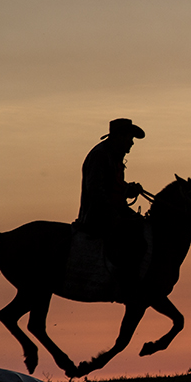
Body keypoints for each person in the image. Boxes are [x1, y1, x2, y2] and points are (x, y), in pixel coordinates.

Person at [75, 118, 147, 294]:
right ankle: (122, 281)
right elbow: (95, 190)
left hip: (114, 210)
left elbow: (113, 188)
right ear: (119, 137)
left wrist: (128, 189)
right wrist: (112, 214)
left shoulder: (113, 156)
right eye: (129, 138)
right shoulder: (100, 155)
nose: (131, 142)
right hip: (98, 214)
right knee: (132, 238)